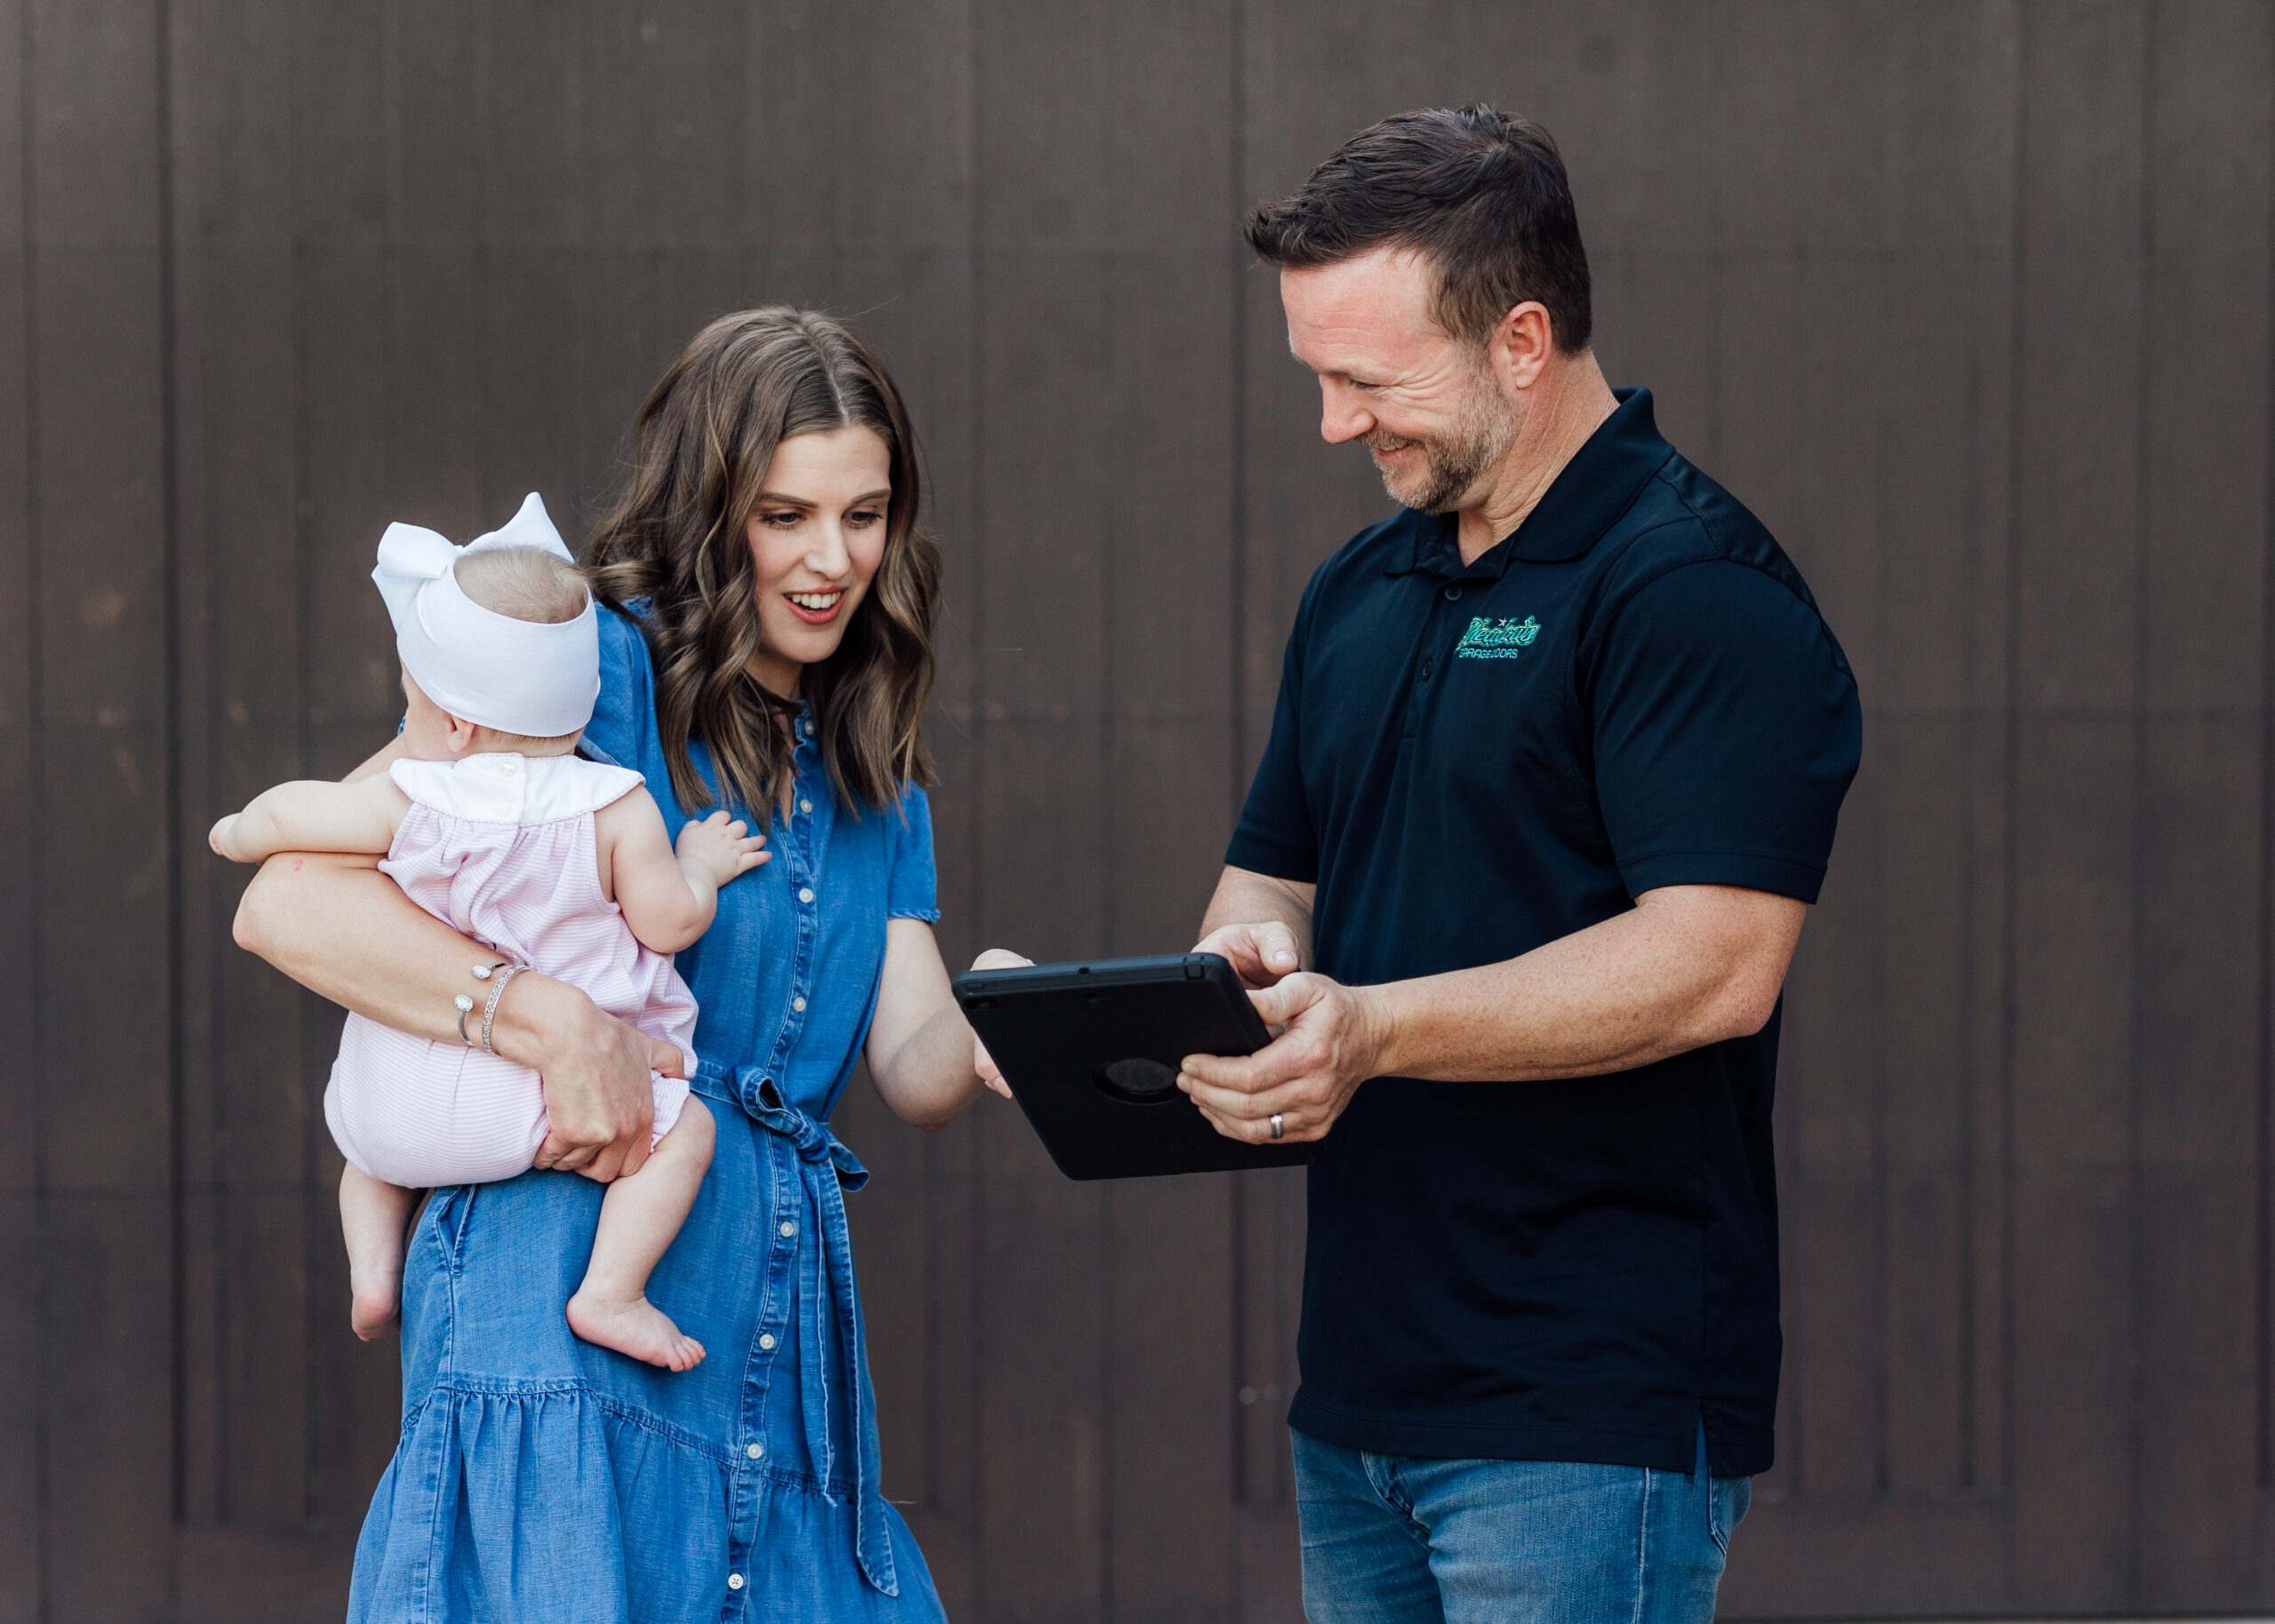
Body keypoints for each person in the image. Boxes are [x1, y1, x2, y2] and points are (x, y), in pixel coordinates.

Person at [1177, 107, 1863, 1621]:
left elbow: (1717, 963)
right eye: (1318, 378)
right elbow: (1273, 873)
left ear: (1522, 338)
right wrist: (1240, 977)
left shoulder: (1694, 592)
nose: (1335, 426)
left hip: (1584, 1407)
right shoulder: (1360, 584)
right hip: (1358, 1391)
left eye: (1367, 381)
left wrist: (1376, 1027)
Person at [232, 307, 1010, 1621]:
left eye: (865, 516)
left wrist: (1007, 1027)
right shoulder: (589, 667)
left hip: (769, 1322)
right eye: (785, 517)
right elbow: (291, 900)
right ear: (712, 515)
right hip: (559, 1291)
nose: (832, 561)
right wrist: (543, 1020)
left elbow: (912, 1065)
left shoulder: (875, 756)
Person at [212, 498, 773, 1372]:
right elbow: (670, 920)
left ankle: (371, 1269)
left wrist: (241, 829)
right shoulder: (616, 801)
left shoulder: (414, 795)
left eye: (415, 706)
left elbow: (301, 812)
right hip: (540, 1108)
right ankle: (611, 1290)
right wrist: (699, 862)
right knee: (687, 1133)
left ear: (457, 723)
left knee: (367, 1141)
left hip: (389, 1108)